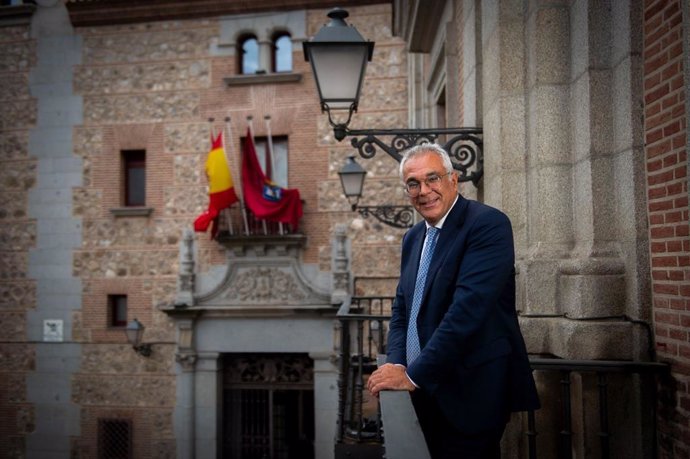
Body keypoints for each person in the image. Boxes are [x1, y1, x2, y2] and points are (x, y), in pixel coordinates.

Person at [367, 144, 539, 459]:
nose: (424, 190)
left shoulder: (487, 224)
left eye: (433, 178)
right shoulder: (414, 237)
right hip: (422, 390)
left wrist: (411, 375)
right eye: (413, 183)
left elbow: (467, 312)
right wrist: (396, 363)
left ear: (453, 180)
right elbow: (403, 309)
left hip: (471, 390)